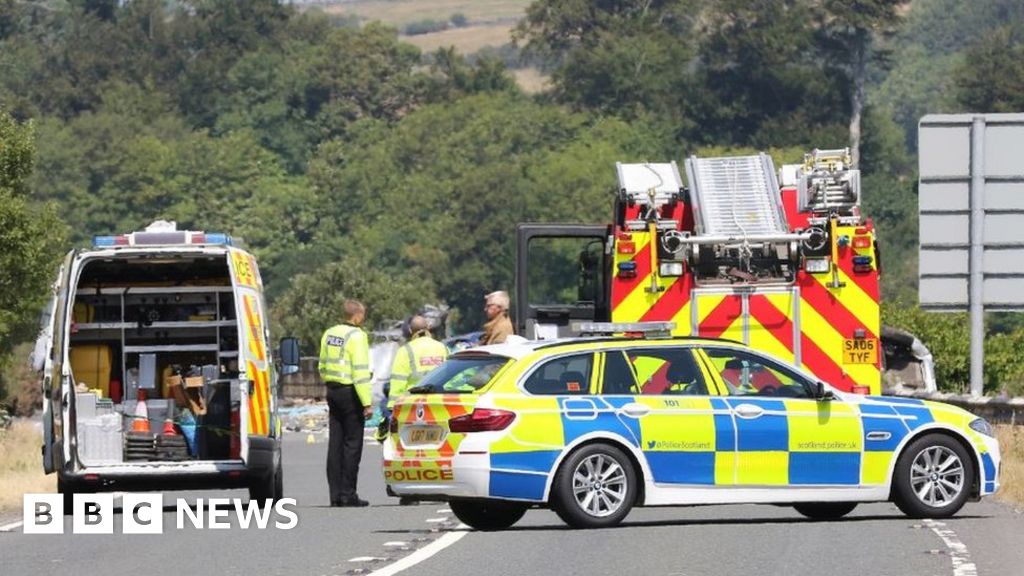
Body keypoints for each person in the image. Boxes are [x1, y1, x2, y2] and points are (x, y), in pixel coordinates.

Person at [319, 299, 373, 507]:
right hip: (351, 393)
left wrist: (329, 382)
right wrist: (367, 403)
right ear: (357, 315)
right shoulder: (357, 337)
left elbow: (321, 365)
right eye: (363, 314)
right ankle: (348, 494)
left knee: (335, 443)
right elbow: (360, 372)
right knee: (352, 444)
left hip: (332, 390)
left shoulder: (330, 333)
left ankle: (335, 495)